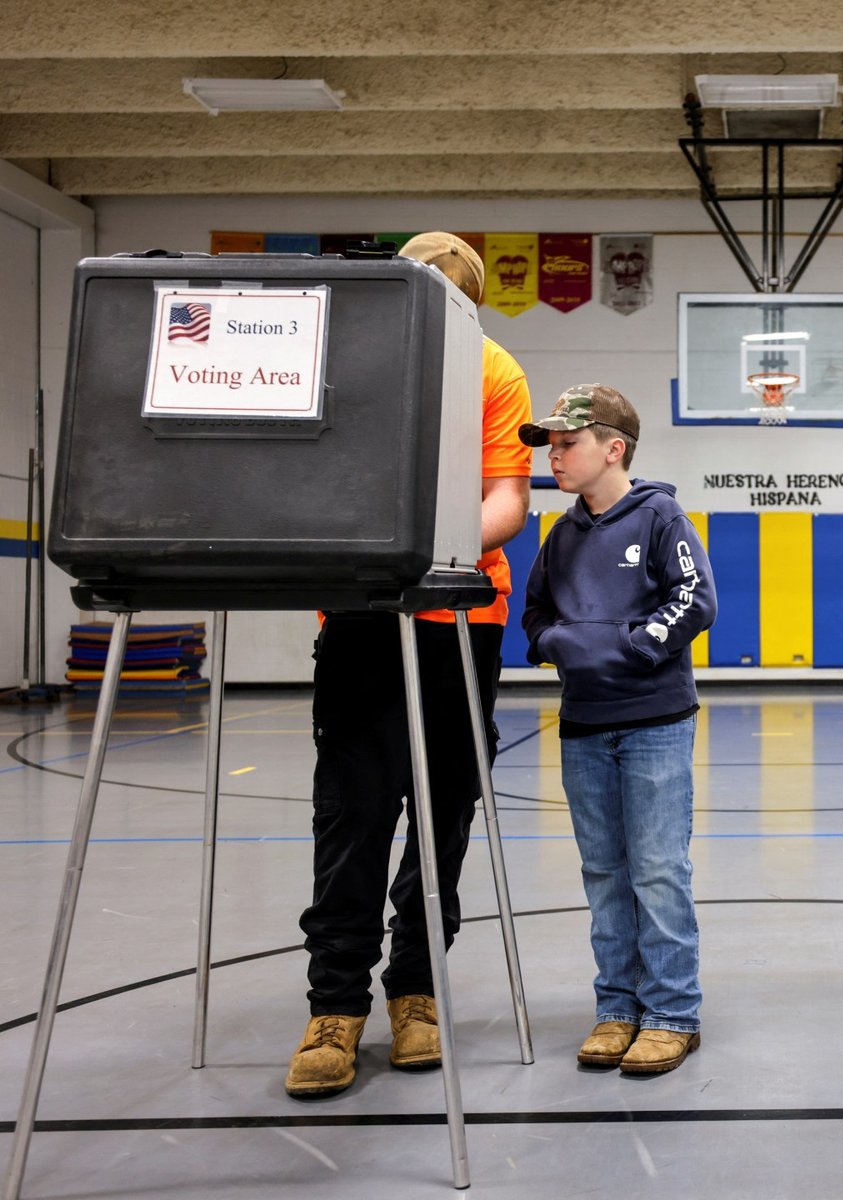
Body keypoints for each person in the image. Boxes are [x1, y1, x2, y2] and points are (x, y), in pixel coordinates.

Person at [285, 233, 532, 1097]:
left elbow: (507, 497)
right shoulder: (346, 360)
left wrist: (426, 550)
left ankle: (416, 989)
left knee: (445, 812)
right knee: (351, 811)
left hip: (461, 617)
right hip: (360, 619)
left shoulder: (494, 369)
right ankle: (335, 1006)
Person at [520, 384, 716, 1076]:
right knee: (605, 872)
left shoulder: (660, 516)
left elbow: (696, 601)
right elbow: (535, 613)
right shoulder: (561, 535)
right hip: (584, 727)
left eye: (567, 444)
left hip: (654, 723)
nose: (555, 457)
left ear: (614, 448)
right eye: (550, 445)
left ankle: (671, 1011)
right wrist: (558, 646)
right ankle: (618, 1006)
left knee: (659, 870)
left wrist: (626, 648)